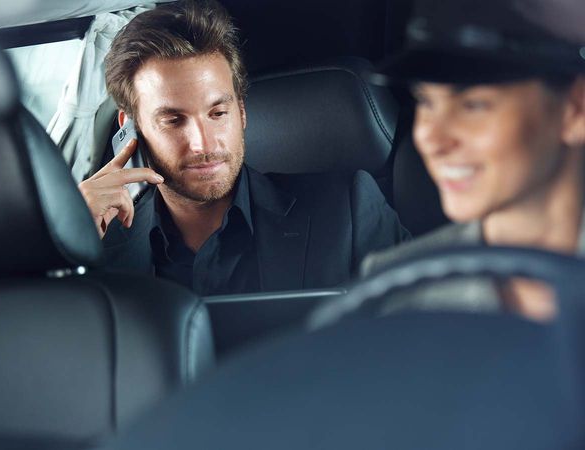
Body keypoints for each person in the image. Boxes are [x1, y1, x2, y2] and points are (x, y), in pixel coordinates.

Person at [78, 0, 409, 296]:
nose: (202, 143)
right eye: (174, 120)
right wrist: (66, 236)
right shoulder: (101, 249)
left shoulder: (347, 210)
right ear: (131, 127)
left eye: (218, 113)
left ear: (241, 112)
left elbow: (428, 333)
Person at [361, 0, 585, 321]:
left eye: (473, 105)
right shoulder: (395, 290)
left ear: (576, 108)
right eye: (424, 100)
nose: (430, 138)